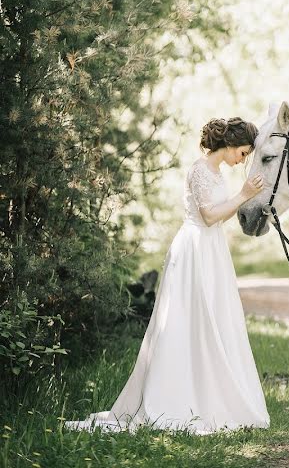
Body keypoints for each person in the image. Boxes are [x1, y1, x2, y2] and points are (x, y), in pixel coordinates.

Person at [66, 117, 269, 434]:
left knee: (212, 318)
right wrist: (243, 195)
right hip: (192, 251)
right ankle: (174, 397)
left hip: (211, 249)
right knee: (182, 320)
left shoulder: (217, 174)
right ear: (230, 145)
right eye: (242, 153)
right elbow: (208, 215)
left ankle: (210, 394)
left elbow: (219, 217)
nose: (242, 160)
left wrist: (240, 198)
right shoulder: (200, 169)